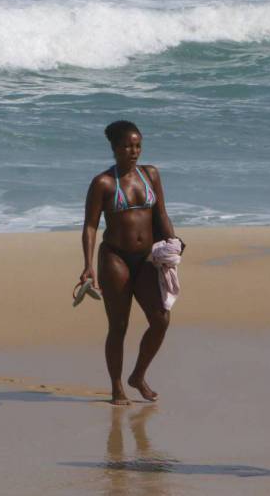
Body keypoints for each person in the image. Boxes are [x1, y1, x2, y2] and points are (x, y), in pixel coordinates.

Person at [77, 120, 183, 406]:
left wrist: (173, 243)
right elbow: (90, 226)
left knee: (161, 319)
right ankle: (116, 387)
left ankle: (138, 375)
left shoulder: (151, 175)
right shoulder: (103, 183)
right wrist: (88, 265)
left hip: (147, 258)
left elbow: (161, 214)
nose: (133, 151)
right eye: (127, 146)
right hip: (115, 258)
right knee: (119, 326)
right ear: (114, 148)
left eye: (137, 145)